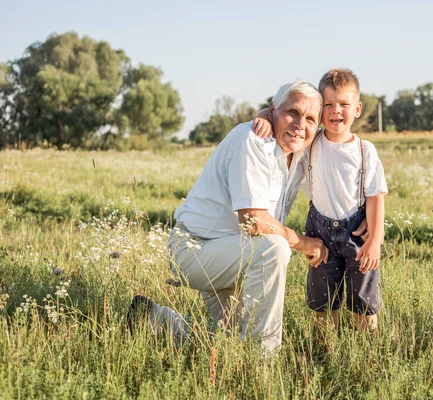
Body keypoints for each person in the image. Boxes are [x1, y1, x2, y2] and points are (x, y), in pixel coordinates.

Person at [129, 81, 328, 353]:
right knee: (275, 248)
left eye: (309, 118)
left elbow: (338, 137)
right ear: (273, 110)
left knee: (224, 341)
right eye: (292, 112)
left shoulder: (300, 149)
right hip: (198, 248)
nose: (299, 123)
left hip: (236, 253)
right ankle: (262, 362)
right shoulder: (253, 141)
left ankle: (154, 318)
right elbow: (254, 222)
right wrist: (306, 243)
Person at [253, 68, 387, 333]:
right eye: (329, 105)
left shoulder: (364, 150)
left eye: (344, 105)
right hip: (320, 232)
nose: (336, 111)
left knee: (364, 301)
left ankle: (370, 353)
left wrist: (375, 240)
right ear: (320, 110)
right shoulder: (311, 141)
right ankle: (326, 349)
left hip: (356, 233)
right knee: (322, 301)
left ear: (357, 109)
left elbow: (376, 196)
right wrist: (263, 116)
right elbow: (283, 124)